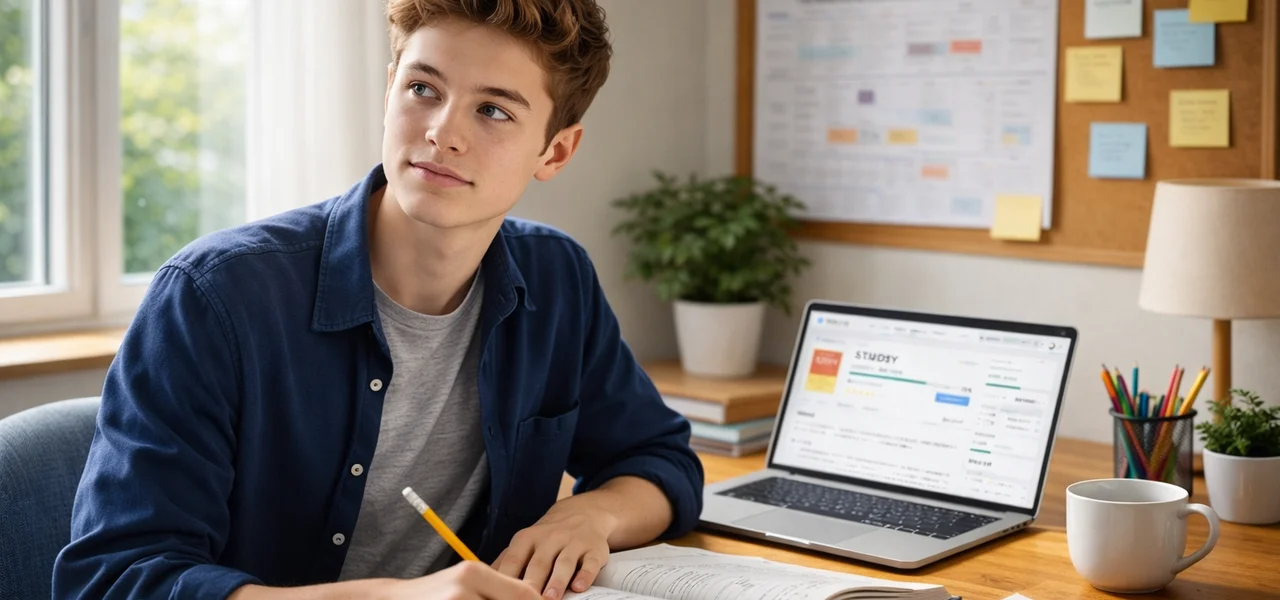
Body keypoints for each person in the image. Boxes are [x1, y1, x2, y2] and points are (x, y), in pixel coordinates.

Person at [51, 1, 704, 598]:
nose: (443, 133)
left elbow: (658, 460)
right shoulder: (212, 298)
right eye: (424, 89)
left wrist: (590, 513)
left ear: (556, 150)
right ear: (390, 85)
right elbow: (114, 578)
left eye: (493, 109)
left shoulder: (558, 279)